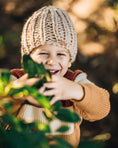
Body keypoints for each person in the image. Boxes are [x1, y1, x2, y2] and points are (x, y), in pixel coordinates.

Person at [9, 6, 110, 148]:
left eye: (61, 54)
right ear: (28, 59)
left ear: (70, 60)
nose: (52, 61)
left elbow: (102, 108)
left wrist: (76, 91)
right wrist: (18, 94)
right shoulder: (17, 79)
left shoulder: (74, 81)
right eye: (43, 53)